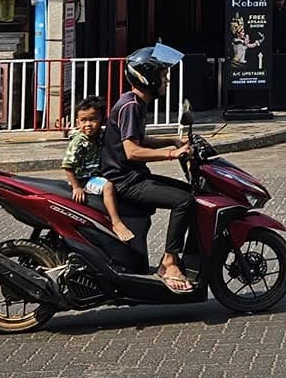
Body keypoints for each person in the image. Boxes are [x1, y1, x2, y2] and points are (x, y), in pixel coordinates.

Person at [97, 46, 201, 296]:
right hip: (125, 181)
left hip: (133, 176)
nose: (166, 81)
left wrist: (171, 141)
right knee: (184, 201)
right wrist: (172, 154)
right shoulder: (130, 106)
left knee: (193, 194)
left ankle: (180, 259)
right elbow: (132, 151)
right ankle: (169, 263)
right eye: (163, 76)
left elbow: (138, 138)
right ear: (148, 78)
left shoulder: (135, 103)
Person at [62, 97, 137, 245]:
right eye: (83, 120)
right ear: (77, 122)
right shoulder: (78, 142)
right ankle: (116, 222)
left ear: (102, 120)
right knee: (108, 186)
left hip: (96, 175)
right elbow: (67, 165)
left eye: (93, 119)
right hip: (84, 179)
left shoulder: (101, 136)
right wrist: (77, 187)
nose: (88, 124)